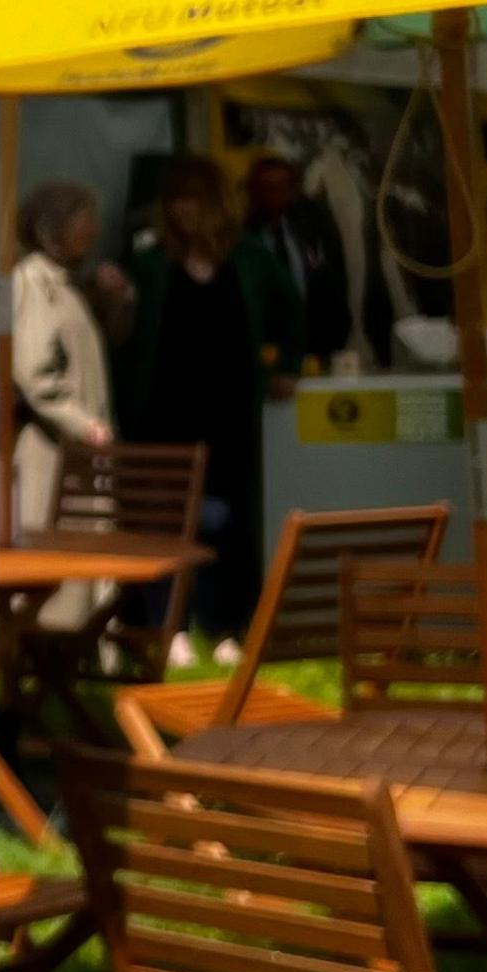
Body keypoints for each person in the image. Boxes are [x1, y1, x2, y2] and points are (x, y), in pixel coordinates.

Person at [122, 155, 302, 648]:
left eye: (192, 199)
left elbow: (292, 307)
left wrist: (287, 364)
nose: (183, 211)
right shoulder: (152, 260)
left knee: (229, 522)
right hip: (164, 412)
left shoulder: (248, 257)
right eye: (175, 200)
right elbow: (125, 333)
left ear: (215, 203)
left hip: (229, 411)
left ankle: (226, 626)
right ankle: (170, 624)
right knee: (164, 518)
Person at [5, 180, 117, 631]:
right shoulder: (30, 282)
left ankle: (79, 649)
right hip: (53, 453)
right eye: (83, 219)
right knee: (61, 556)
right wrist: (83, 424)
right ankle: (46, 651)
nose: (94, 229)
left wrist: (116, 298)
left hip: (81, 449)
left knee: (87, 548)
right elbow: (31, 371)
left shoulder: (68, 285)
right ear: (54, 226)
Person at [242, 152, 351, 374]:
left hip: (315, 346)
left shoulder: (312, 226)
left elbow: (333, 282)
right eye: (268, 188)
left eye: (283, 187)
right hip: (260, 352)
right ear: (253, 191)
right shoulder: (241, 237)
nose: (277, 196)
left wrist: (334, 337)